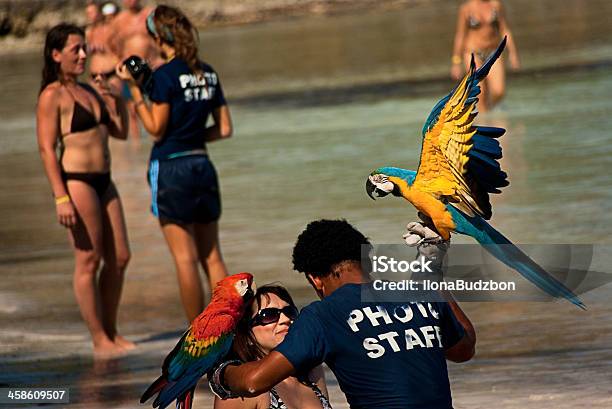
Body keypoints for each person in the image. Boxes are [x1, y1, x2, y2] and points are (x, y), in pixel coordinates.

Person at [210, 219, 476, 409]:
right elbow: (464, 348)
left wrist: (220, 373)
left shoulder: (322, 315)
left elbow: (255, 382)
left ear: (315, 279)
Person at [116, 5, 233, 322]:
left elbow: (155, 127)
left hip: (171, 167)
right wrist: (192, 136)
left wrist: (133, 88)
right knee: (212, 257)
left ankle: (196, 335)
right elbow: (224, 129)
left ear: (158, 37)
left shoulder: (164, 76)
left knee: (185, 259)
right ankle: (229, 327)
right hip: (201, 164)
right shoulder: (207, 72)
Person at [36, 24, 134, 357]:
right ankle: (99, 338)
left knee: (120, 257)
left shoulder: (90, 90)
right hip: (76, 182)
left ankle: (111, 330)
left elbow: (119, 132)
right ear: (56, 54)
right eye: (75, 49)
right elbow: (47, 149)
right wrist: (60, 196)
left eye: (84, 48)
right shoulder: (52, 96)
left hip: (105, 181)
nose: (83, 55)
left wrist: (118, 96)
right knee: (88, 260)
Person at [214, 285, 331, 409]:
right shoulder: (242, 387)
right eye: (269, 315)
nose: (285, 319)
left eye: (289, 312)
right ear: (246, 335)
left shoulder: (312, 371)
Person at [450, 0, 520, 111]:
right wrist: (456, 61)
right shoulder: (466, 8)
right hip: (473, 53)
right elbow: (460, 35)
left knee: (499, 91)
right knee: (480, 94)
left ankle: (489, 110)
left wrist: (513, 54)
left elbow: (504, 29)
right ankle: (485, 120)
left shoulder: (495, 5)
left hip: (493, 52)